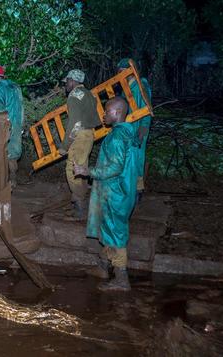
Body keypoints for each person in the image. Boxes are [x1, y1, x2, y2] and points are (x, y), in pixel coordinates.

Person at [75, 97, 139, 292]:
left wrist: (89, 172)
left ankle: (121, 279)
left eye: (107, 111)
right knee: (109, 228)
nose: (104, 114)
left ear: (117, 113)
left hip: (114, 192)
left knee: (115, 233)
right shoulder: (129, 133)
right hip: (124, 190)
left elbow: (115, 167)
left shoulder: (117, 137)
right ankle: (103, 267)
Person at [58, 69, 99, 220]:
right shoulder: (89, 94)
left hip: (80, 136)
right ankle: (80, 204)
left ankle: (79, 206)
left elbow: (75, 123)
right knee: (82, 167)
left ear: (73, 81)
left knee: (73, 169)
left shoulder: (74, 96)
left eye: (67, 81)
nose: (66, 84)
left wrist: (65, 145)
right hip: (89, 135)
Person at [117, 58, 152, 196]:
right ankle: (127, 188)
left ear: (129, 71)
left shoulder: (141, 84)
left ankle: (138, 191)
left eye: (121, 71)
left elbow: (146, 107)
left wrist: (143, 128)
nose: (118, 74)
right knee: (126, 158)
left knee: (137, 157)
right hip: (126, 128)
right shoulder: (125, 87)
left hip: (138, 128)